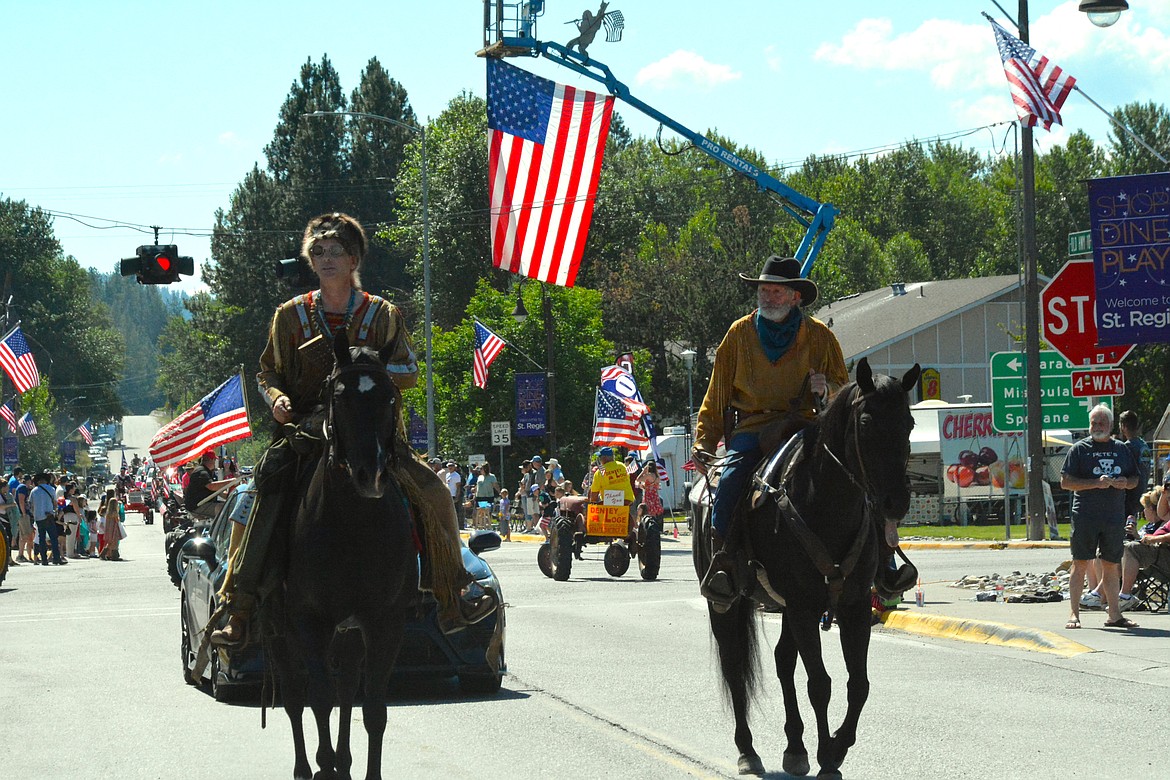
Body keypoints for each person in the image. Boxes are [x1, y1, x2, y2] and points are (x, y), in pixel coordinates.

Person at [211, 212, 493, 646]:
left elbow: (410, 370)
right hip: (305, 434)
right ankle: (241, 607)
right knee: (258, 494)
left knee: (434, 490)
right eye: (318, 252)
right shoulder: (289, 316)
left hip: (371, 433)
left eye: (336, 251)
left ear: (354, 258)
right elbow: (267, 373)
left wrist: (373, 368)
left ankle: (453, 592)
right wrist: (277, 400)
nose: (326, 259)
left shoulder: (383, 314)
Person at [692, 255, 847, 606]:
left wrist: (827, 390)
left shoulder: (820, 336)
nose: (768, 297)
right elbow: (716, 395)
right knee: (730, 480)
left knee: (850, 476)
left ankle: (874, 564)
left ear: (795, 297)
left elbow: (843, 389)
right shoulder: (738, 334)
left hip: (806, 426)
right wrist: (703, 442)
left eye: (777, 292)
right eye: (764, 290)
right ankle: (724, 562)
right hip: (753, 428)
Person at [1061, 404, 1138, 630]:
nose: (1096, 427)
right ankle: (1074, 614)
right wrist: (1095, 483)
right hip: (1085, 515)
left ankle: (1114, 614)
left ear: (1111, 426)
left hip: (1113, 517)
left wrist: (1125, 482)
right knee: (1080, 563)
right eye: (1093, 423)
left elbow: (1134, 479)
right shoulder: (1079, 449)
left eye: (1101, 423)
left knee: (1112, 565)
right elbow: (1066, 482)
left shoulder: (1122, 449)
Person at [1117, 487, 1168, 607]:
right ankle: (1102, 595)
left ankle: (1125, 595)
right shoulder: (1151, 526)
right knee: (1109, 552)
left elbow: (1156, 541)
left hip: (1162, 561)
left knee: (1131, 547)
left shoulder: (1164, 522)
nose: (1143, 512)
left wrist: (1155, 539)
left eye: (1145, 508)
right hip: (1152, 561)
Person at [1118, 410, 1151, 519]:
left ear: (1123, 426)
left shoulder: (1128, 447)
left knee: (1127, 530)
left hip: (1130, 495)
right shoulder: (1143, 445)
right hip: (1142, 491)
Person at [184, 451, 234, 519]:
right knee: (223, 508)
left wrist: (229, 495)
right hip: (196, 507)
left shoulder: (207, 472)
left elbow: (216, 491)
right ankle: (224, 529)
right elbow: (212, 486)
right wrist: (232, 481)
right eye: (214, 460)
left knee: (228, 505)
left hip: (203, 504)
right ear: (211, 460)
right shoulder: (201, 472)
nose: (215, 462)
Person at [30, 471, 64, 566]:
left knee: (41, 538)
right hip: (49, 516)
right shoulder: (51, 489)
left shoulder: (34, 491)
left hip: (38, 517)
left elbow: (31, 504)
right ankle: (56, 558)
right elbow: (55, 502)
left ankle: (44, 559)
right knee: (53, 538)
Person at [473, 463, 500, 529]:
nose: (480, 470)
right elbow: (478, 486)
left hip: (488, 496)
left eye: (481, 469)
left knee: (487, 511)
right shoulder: (480, 477)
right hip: (479, 496)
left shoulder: (492, 477)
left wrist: (500, 492)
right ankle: (480, 525)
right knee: (479, 512)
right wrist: (474, 492)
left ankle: (487, 525)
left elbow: (495, 486)